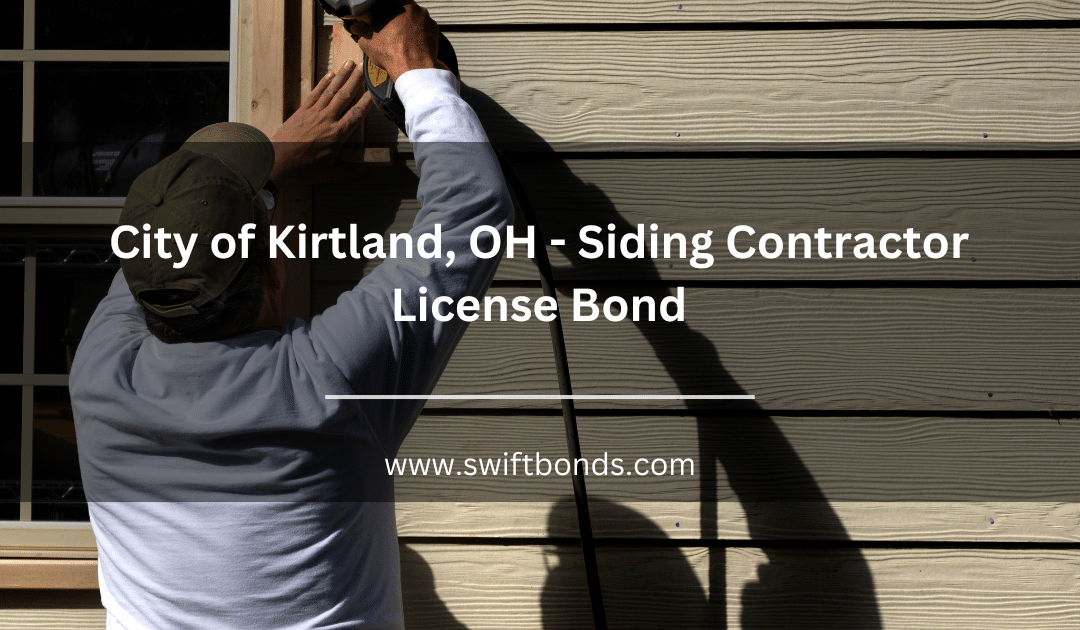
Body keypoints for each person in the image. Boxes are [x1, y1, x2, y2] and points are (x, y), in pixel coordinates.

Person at [69, 2, 513, 627]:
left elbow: (160, 254)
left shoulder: (97, 372)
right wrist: (415, 68)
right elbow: (471, 212)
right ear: (275, 271)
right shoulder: (326, 381)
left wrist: (269, 168)